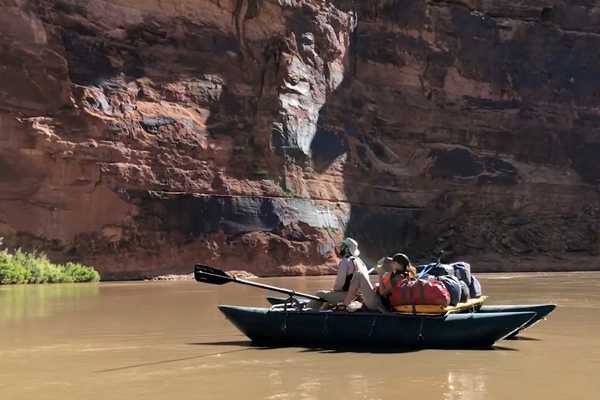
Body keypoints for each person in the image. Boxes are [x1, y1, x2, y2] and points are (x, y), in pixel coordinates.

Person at [307, 238, 384, 312]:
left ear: (347, 249)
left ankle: (305, 311)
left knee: (320, 293)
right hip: (361, 296)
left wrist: (334, 291)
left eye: (342, 246)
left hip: (348, 295)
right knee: (328, 300)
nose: (340, 248)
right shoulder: (360, 261)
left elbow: (339, 285)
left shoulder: (345, 261)